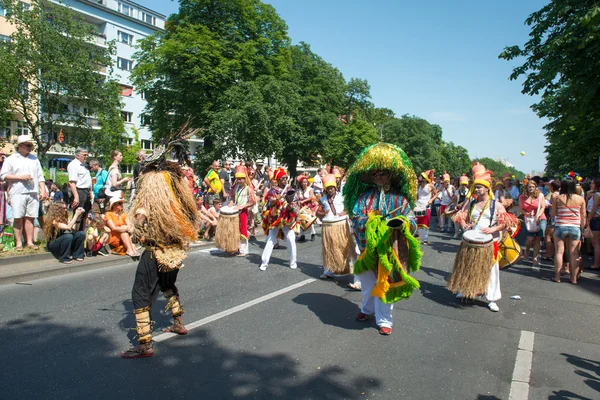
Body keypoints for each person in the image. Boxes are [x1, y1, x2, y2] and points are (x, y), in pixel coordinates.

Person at [122, 127, 201, 359]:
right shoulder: (175, 182)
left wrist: (137, 224)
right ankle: (178, 322)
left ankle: (145, 343)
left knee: (140, 292)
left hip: (157, 247)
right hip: (176, 246)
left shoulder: (152, 181)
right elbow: (189, 211)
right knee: (167, 285)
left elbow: (145, 207)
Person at [344, 143, 421, 336]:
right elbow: (355, 217)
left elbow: (411, 220)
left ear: (390, 175)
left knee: (385, 284)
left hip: (389, 252)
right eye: (375, 174)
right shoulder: (364, 197)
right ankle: (367, 309)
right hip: (367, 249)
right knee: (368, 284)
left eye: (383, 173)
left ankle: (385, 320)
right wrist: (370, 221)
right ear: (371, 177)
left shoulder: (399, 198)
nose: (378, 176)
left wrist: (401, 224)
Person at [451, 163, 517, 312]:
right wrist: (464, 225)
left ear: (487, 188)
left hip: (489, 242)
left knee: (491, 270)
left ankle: (492, 299)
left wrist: (493, 228)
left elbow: (506, 222)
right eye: (476, 187)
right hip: (472, 241)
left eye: (480, 187)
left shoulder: (496, 204)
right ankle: (466, 290)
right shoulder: (472, 203)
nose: (478, 189)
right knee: (468, 266)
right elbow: (461, 217)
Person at [0, 135, 48, 250]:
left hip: (32, 192)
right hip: (18, 192)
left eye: (31, 145)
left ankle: (30, 241)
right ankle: (18, 243)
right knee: (18, 217)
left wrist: (43, 190)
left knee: (30, 217)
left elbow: (40, 176)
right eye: (28, 145)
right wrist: (20, 177)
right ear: (20, 146)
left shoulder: (34, 159)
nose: (30, 147)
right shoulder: (11, 159)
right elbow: (3, 175)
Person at [259, 167, 298, 271]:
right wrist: (276, 199)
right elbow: (269, 202)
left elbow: (295, 202)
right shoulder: (273, 190)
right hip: (276, 218)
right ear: (279, 180)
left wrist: (291, 207)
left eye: (286, 178)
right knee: (271, 240)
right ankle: (264, 262)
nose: (285, 180)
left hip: (286, 218)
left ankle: (293, 262)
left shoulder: (290, 190)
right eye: (283, 178)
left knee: (291, 239)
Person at [551, 177, 586, 284]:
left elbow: (552, 214)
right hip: (575, 228)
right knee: (574, 254)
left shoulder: (558, 198)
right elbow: (583, 216)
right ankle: (574, 279)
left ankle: (557, 277)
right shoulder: (580, 199)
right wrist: (583, 229)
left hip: (560, 226)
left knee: (559, 252)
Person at [228, 165, 255, 256]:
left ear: (244, 178)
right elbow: (232, 197)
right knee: (234, 230)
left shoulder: (248, 188)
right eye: (238, 179)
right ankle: (235, 248)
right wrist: (231, 204)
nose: (239, 181)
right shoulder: (236, 187)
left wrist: (242, 206)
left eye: (241, 179)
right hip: (235, 211)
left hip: (243, 212)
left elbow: (253, 202)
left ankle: (244, 250)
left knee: (243, 229)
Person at [519, 179, 546, 270]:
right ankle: (527, 250)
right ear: (526, 187)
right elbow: (521, 209)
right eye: (529, 187)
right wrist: (525, 214)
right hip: (529, 219)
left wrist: (538, 215)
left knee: (538, 238)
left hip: (540, 218)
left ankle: (535, 258)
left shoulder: (540, 196)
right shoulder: (522, 197)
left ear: (535, 187)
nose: (531, 188)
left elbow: (543, 207)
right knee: (529, 239)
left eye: (533, 187)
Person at [67, 148, 92, 232]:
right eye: (84, 155)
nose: (86, 157)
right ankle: (76, 233)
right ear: (78, 155)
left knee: (85, 214)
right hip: (79, 191)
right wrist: (76, 196)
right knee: (78, 214)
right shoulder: (73, 165)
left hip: (86, 191)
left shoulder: (84, 165)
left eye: (87, 155)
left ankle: (81, 232)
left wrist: (90, 192)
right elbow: (72, 182)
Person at [415, 169, 437, 245]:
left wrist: (431, 200)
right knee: (416, 220)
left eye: (421, 177)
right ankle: (416, 233)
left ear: (424, 178)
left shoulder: (430, 186)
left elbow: (436, 195)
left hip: (427, 206)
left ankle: (425, 239)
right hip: (418, 205)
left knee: (426, 223)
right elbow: (418, 196)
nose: (419, 178)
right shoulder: (419, 186)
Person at [296, 174, 316, 242]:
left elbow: (311, 197)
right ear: (301, 183)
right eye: (303, 182)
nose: (305, 183)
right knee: (301, 220)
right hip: (301, 206)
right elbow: (298, 198)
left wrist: (303, 201)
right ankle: (302, 235)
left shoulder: (310, 189)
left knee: (309, 220)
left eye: (306, 182)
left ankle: (313, 233)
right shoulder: (299, 190)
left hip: (308, 206)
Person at [587, 178, 600, 270]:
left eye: (592, 183)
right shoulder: (595, 194)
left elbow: (594, 208)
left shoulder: (596, 195)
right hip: (596, 219)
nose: (591, 185)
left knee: (595, 243)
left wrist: (588, 219)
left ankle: (596, 264)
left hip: (596, 219)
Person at [451, 174, 470, 239]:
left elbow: (469, 201)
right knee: (456, 221)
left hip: (466, 209)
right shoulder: (457, 191)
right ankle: (456, 232)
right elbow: (454, 199)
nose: (464, 186)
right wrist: (455, 205)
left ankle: (465, 234)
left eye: (465, 185)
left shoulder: (469, 191)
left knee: (464, 222)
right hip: (459, 209)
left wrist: (463, 205)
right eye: (463, 185)